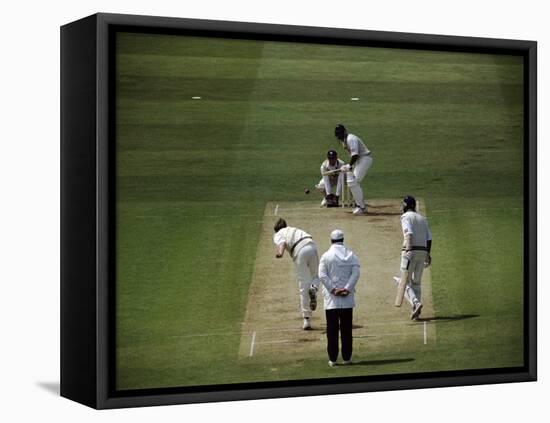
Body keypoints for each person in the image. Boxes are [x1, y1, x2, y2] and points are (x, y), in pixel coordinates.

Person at [318, 229, 361, 366]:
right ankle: (347, 358)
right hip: (347, 300)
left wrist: (333, 289)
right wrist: (347, 289)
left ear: (331, 240)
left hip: (332, 300)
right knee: (347, 330)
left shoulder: (326, 256)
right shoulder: (351, 255)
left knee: (332, 330)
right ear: (343, 239)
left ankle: (333, 359)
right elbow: (356, 274)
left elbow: (322, 275)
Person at [273, 218, 321, 330]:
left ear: (277, 230)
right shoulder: (293, 229)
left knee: (303, 286)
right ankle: (314, 288)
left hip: (299, 251)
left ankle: (307, 320)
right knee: (316, 276)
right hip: (311, 245)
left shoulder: (278, 234)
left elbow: (282, 243)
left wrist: (280, 253)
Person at [393, 196, 432, 320]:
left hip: (410, 251)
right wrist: (428, 254)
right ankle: (416, 313)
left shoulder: (405, 217)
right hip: (422, 252)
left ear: (406, 205)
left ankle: (415, 303)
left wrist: (408, 250)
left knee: (403, 282)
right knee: (416, 283)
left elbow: (408, 233)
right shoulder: (422, 218)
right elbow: (429, 238)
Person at [334, 124, 373, 215]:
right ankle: (360, 205)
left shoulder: (350, 139)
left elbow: (355, 155)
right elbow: (353, 156)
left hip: (365, 158)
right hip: (360, 160)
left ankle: (361, 207)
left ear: (344, 132)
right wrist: (349, 166)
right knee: (352, 182)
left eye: (340, 133)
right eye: (337, 134)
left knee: (353, 182)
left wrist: (349, 166)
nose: (339, 136)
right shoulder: (344, 141)